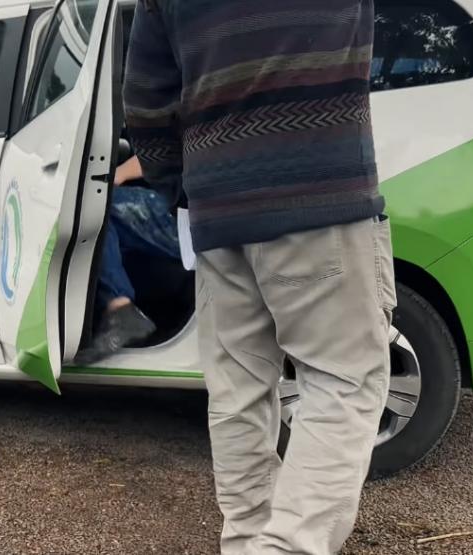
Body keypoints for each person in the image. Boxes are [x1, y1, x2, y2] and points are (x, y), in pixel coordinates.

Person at [123, 2, 394, 554]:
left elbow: (146, 104)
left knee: (237, 393)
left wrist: (185, 187)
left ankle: (246, 542)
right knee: (344, 381)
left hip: (218, 212)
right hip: (320, 198)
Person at [75, 156, 181, 365]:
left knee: (94, 205)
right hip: (196, 209)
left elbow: (163, 152)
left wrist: (118, 173)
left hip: (184, 213)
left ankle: (121, 310)